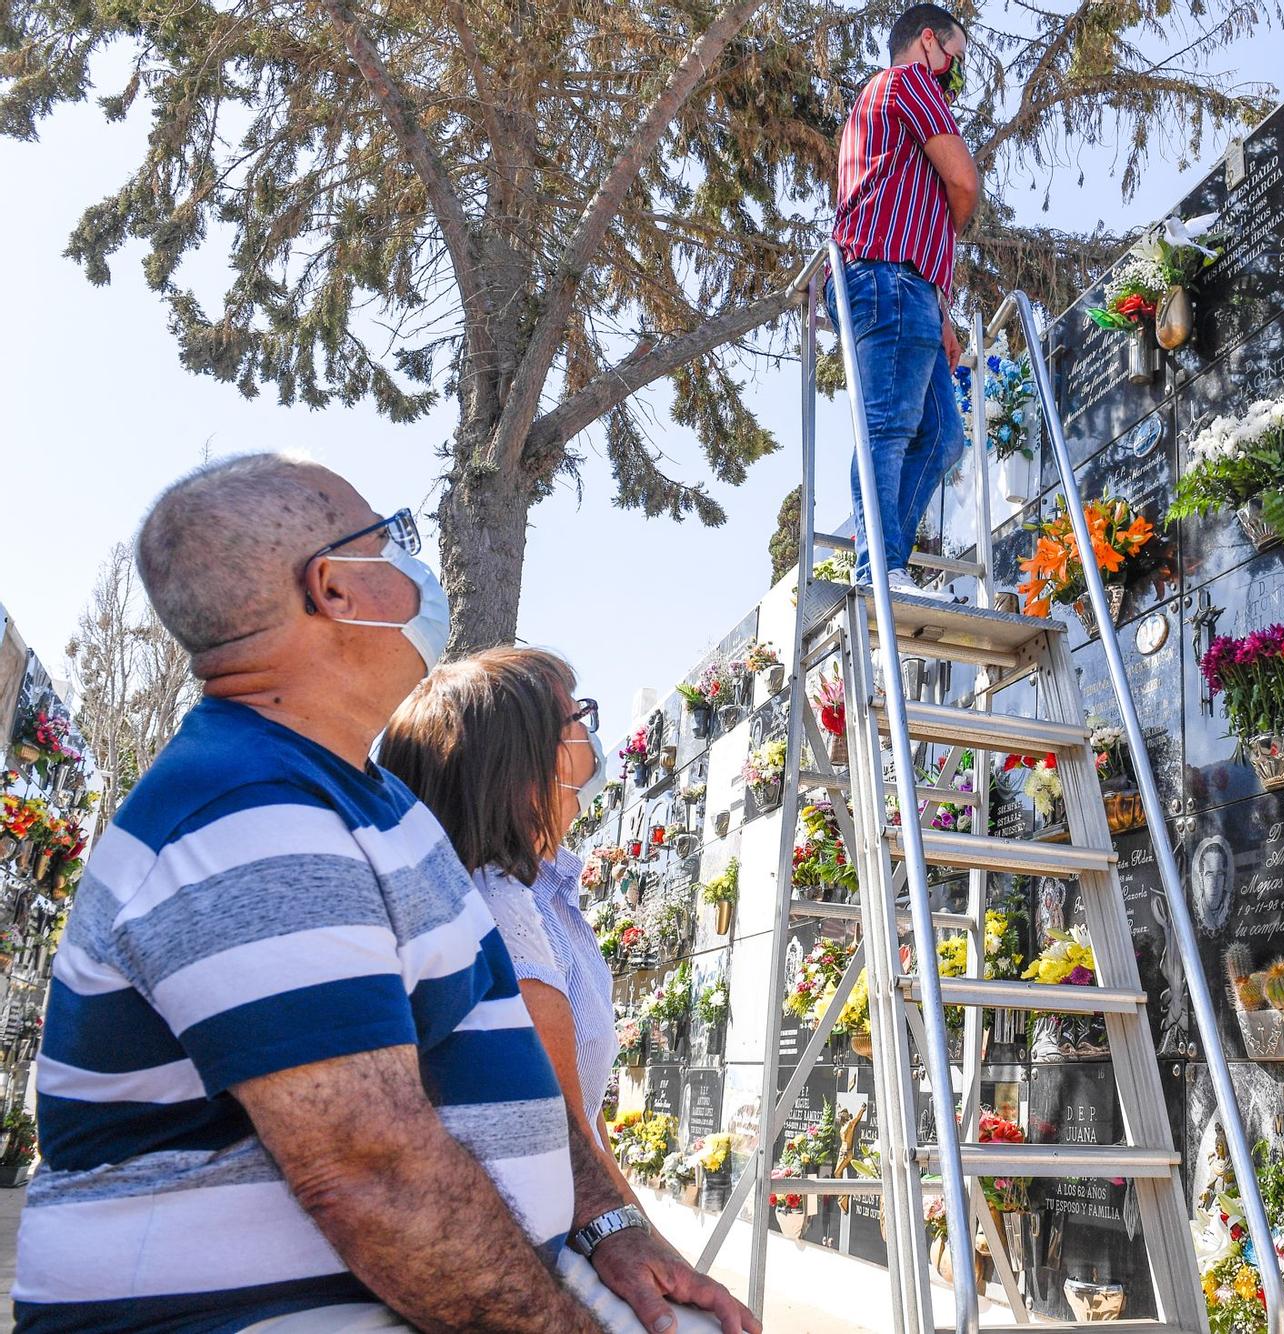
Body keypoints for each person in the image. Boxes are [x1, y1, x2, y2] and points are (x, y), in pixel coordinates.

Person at [12, 452, 755, 1334]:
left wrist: (613, 1229)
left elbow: (505, 1062)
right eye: (392, 539)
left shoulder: (367, 797)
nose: (416, 562)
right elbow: (370, 1176)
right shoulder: (249, 818)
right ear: (335, 590)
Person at [377, 648, 641, 1210]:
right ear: (521, 762)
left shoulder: (540, 890)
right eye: (576, 719)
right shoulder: (495, 908)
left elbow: (587, 1123)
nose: (590, 738)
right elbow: (567, 1141)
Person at [829, 2, 980, 594]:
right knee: (886, 427)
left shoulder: (888, 103)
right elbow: (963, 180)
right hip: (890, 278)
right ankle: (879, 568)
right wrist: (954, 225)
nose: (953, 78)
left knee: (943, 436)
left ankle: (889, 560)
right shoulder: (907, 81)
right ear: (926, 43)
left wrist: (943, 308)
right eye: (954, 62)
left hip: (913, 288)